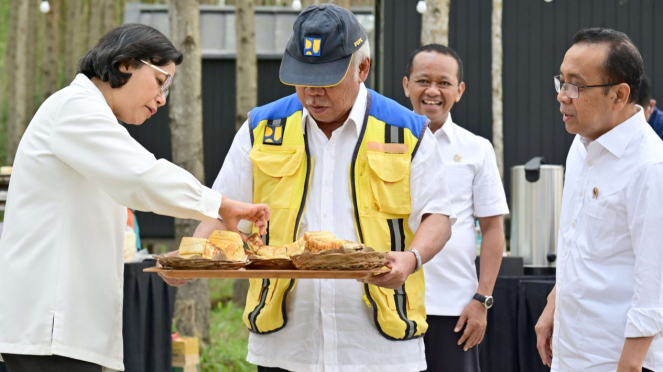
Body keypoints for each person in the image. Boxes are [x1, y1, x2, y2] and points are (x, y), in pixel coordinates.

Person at [164, 4, 455, 371]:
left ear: (362, 68)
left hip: (378, 346)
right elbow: (224, 214)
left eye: (327, 80)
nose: (312, 92)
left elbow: (438, 217)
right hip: (286, 344)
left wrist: (411, 259)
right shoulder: (262, 127)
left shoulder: (405, 130)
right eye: (302, 78)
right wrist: (191, 260)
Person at [0, 24, 270, 372]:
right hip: (51, 328)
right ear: (126, 63)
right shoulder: (75, 110)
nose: (162, 99)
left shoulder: (91, 117)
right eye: (161, 82)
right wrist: (222, 205)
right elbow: (143, 176)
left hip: (63, 330)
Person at [534, 28, 663, 372]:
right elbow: (577, 244)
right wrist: (553, 305)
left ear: (619, 94)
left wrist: (630, 366)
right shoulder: (581, 145)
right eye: (560, 81)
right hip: (572, 350)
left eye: (575, 85)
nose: (562, 95)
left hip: (617, 359)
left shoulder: (650, 167)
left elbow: (655, 287)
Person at [402, 44, 508, 372]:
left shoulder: (477, 149)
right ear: (406, 85)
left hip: (454, 308)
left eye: (444, 83)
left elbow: (492, 229)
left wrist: (482, 300)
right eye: (423, 81)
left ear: (459, 91)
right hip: (393, 303)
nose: (432, 91)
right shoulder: (384, 145)